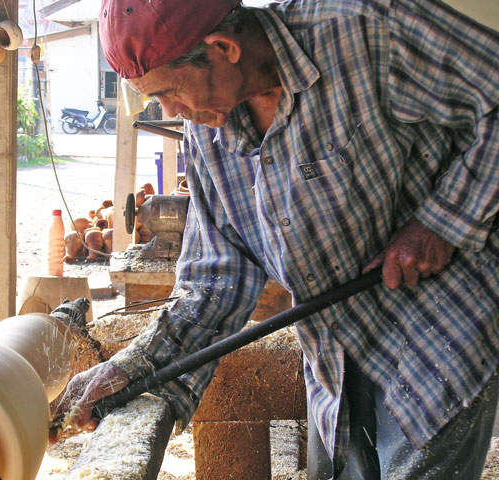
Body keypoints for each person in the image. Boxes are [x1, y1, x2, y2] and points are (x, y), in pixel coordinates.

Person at [53, 0, 499, 478]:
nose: (172, 112)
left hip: (436, 336)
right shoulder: (208, 129)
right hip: (334, 355)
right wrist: (132, 367)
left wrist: (441, 222)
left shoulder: (365, 31)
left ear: (222, 47)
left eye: (171, 92)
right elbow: (215, 281)